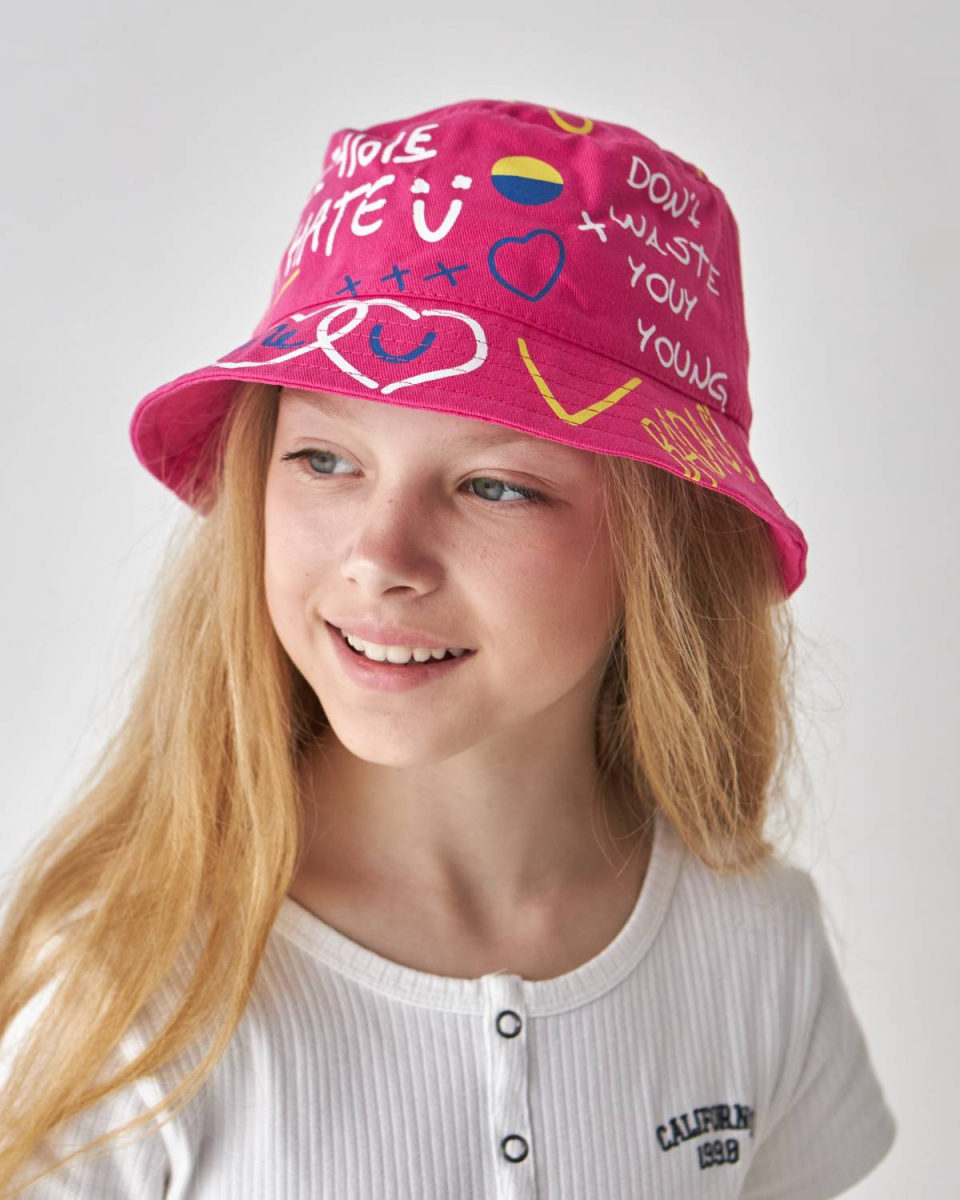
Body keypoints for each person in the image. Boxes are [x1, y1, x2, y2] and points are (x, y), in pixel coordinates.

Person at [0, 97, 896, 1197]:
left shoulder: (756, 947)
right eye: (326, 460)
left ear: (662, 554)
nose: (381, 558)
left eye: (494, 486)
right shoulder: (130, 994)